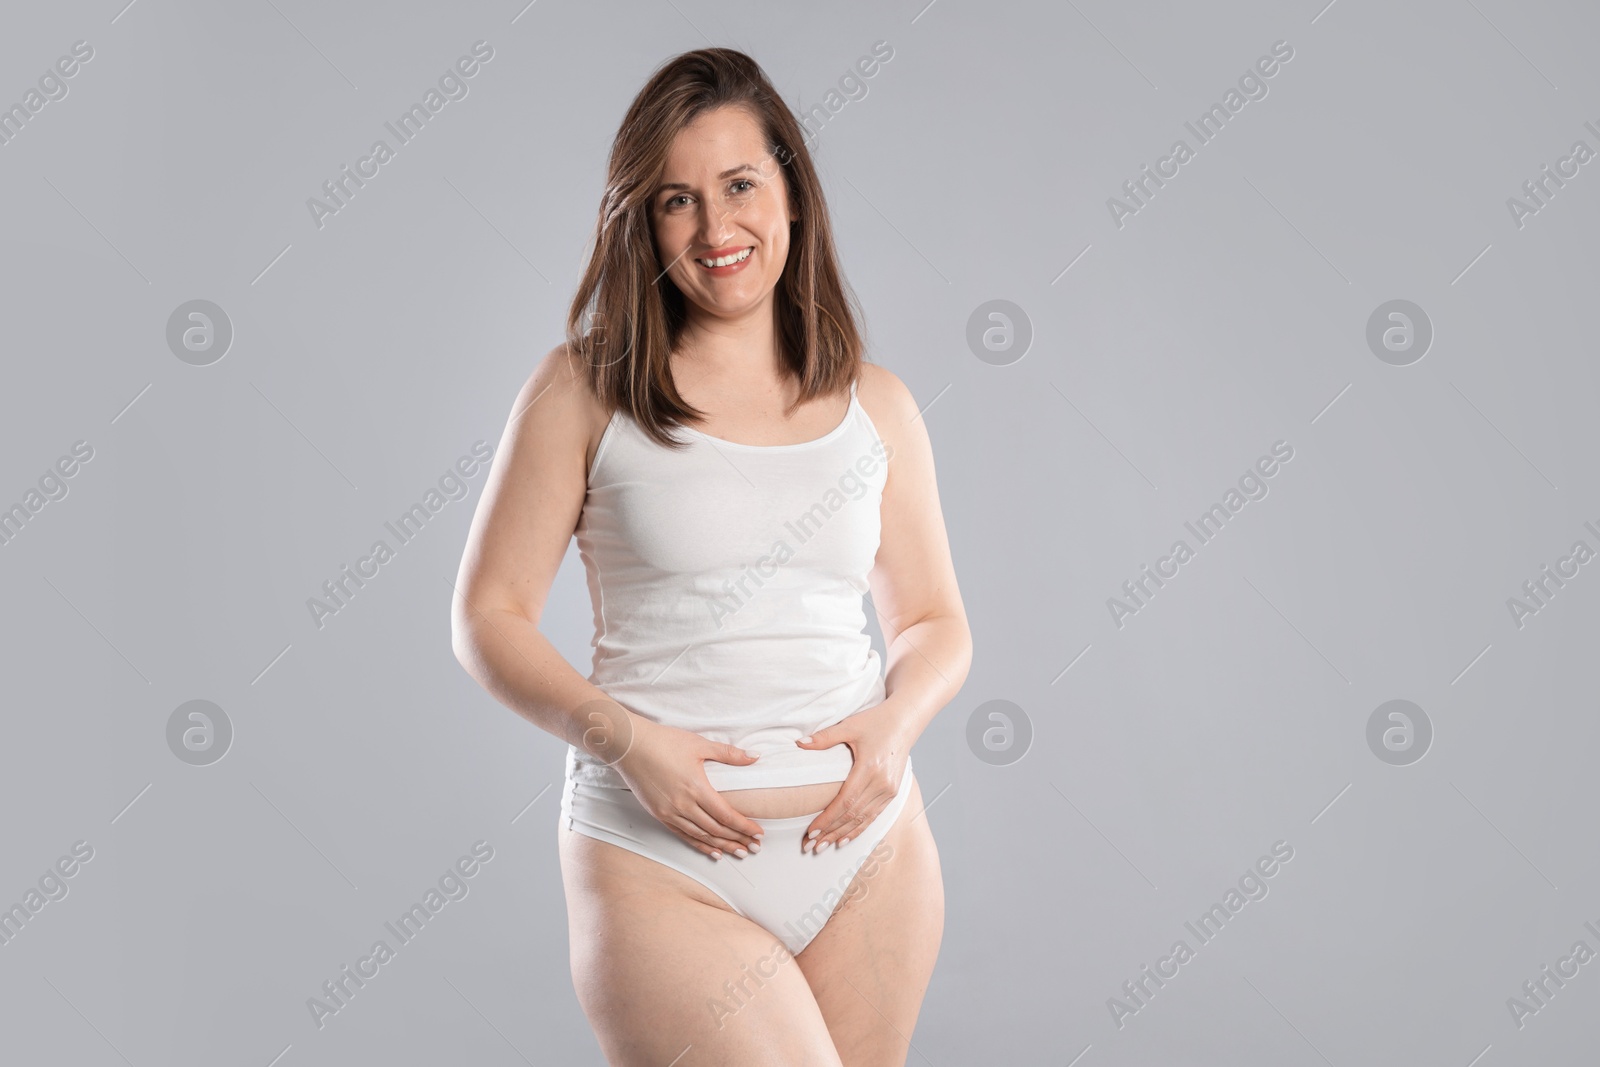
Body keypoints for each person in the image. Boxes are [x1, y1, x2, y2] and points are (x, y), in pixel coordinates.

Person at [450, 46, 971, 1067]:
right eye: (676, 201)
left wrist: (896, 725)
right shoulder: (583, 389)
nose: (715, 229)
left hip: (867, 849)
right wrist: (625, 741)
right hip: (659, 863)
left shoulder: (880, 406)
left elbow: (932, 622)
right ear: (642, 222)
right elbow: (488, 618)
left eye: (739, 186)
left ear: (790, 189)